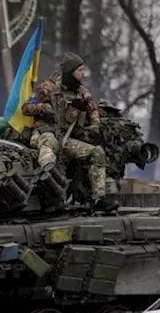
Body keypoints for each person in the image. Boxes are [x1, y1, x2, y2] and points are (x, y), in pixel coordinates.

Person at [22, 52, 108, 205]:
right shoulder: (48, 87)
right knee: (50, 144)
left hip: (66, 138)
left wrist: (94, 126)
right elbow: (26, 108)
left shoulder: (82, 93)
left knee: (97, 153)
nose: (83, 74)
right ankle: (48, 179)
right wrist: (42, 108)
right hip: (44, 133)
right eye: (80, 70)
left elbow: (93, 110)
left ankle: (99, 199)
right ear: (70, 71)